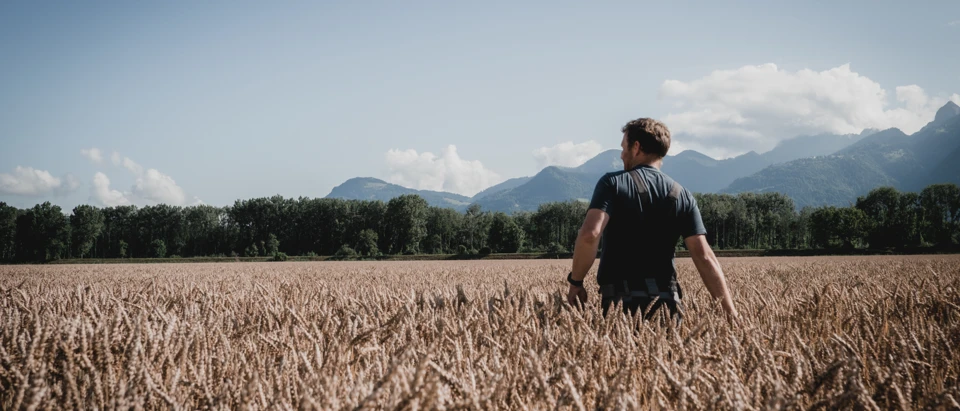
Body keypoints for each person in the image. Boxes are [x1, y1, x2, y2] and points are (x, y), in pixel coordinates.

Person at [564, 118, 738, 323]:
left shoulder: (612, 183)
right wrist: (731, 314)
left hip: (621, 308)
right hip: (668, 307)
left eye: (623, 148)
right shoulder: (682, 195)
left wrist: (576, 282)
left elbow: (590, 235)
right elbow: (704, 256)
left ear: (636, 147)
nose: (621, 155)